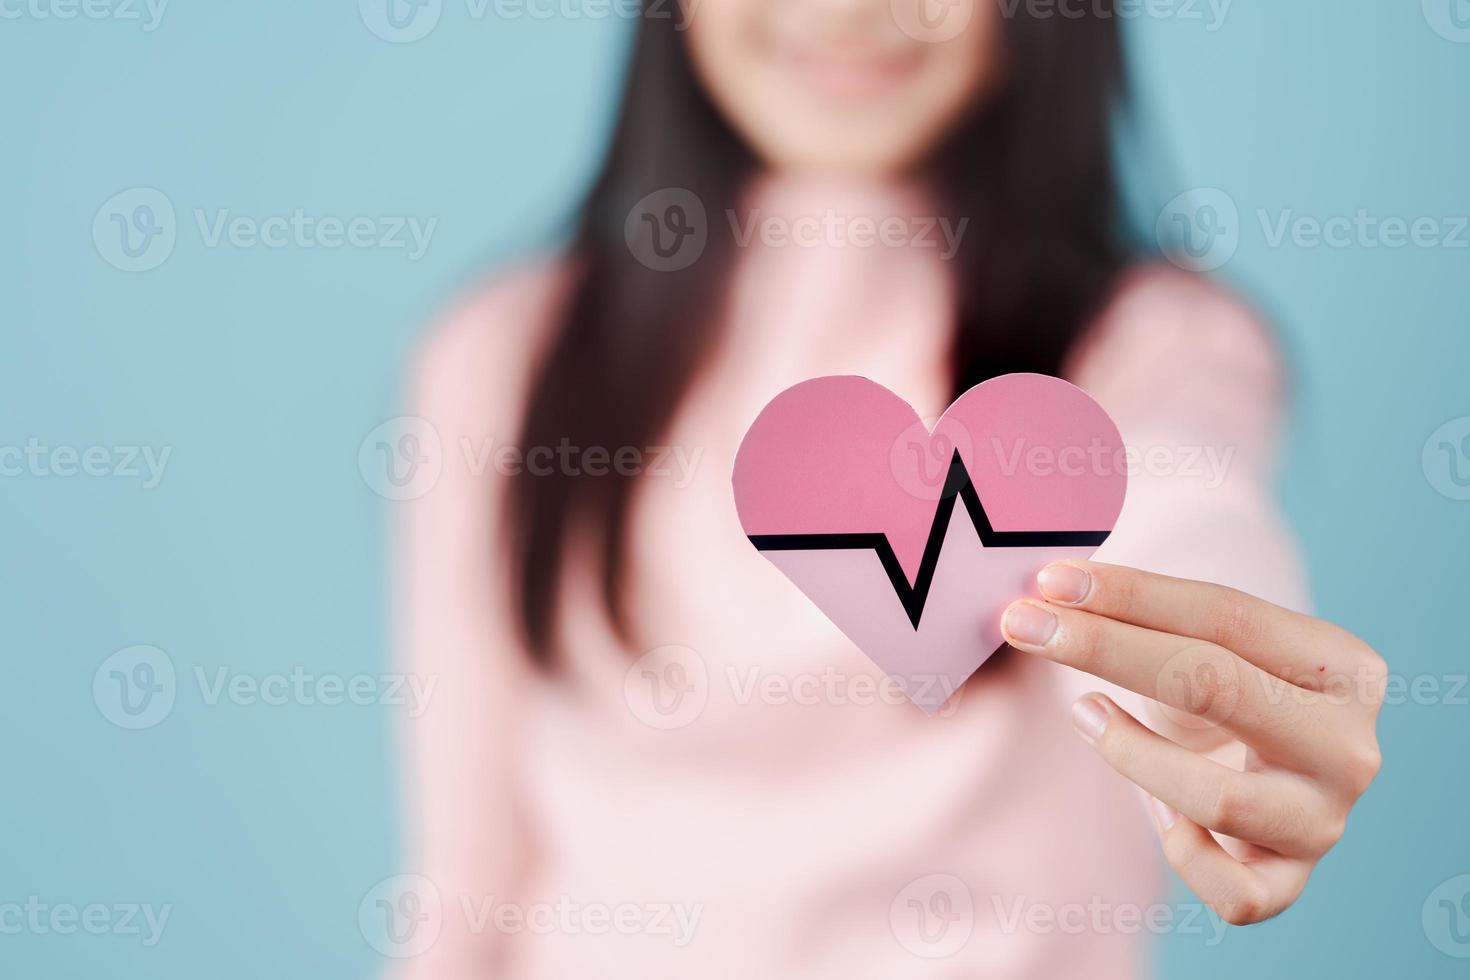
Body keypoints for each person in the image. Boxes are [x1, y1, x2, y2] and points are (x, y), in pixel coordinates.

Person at [392, 2, 1384, 976]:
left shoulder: (1154, 346)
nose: (845, 11)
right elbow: (466, 888)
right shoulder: (504, 355)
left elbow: (1181, 510)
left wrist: (1225, 706)